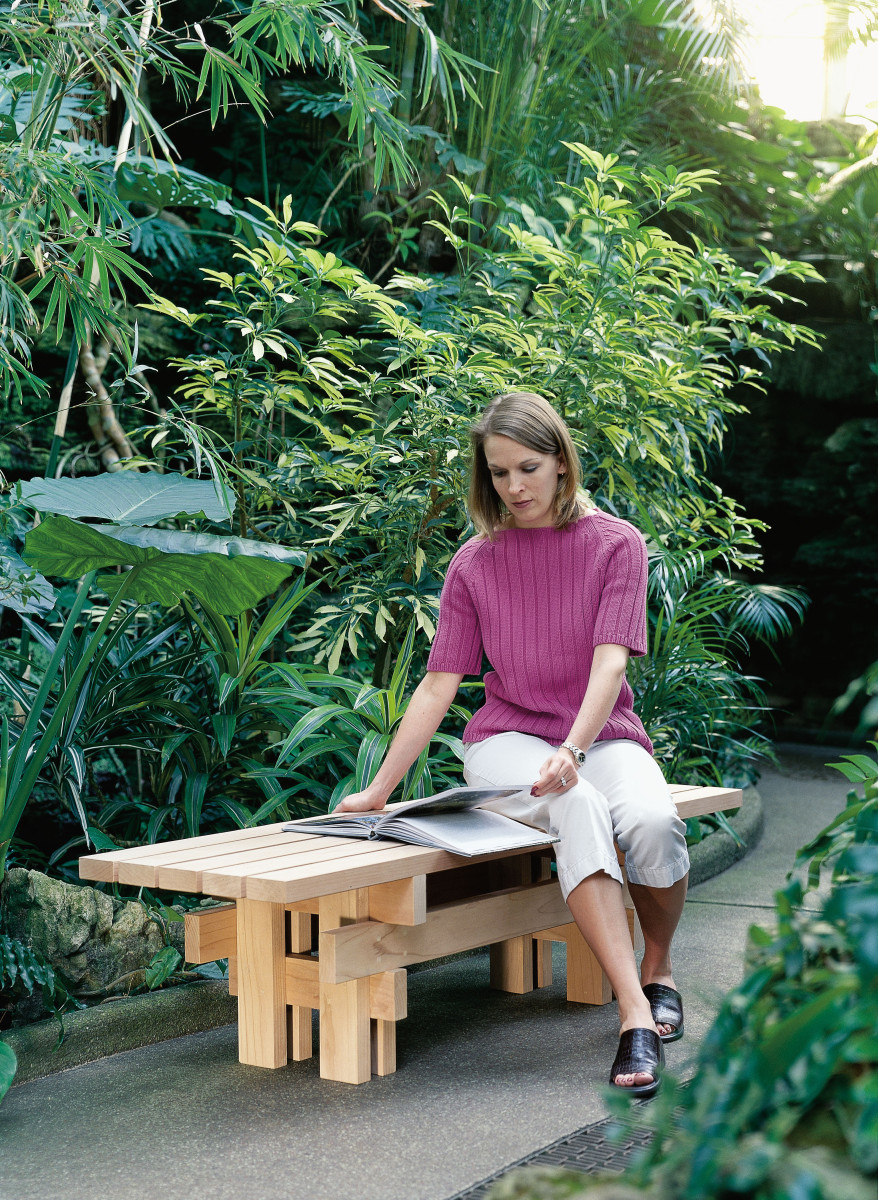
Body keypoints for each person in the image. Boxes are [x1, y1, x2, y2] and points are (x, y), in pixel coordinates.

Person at [337, 391, 689, 1098]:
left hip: (599, 734)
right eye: (498, 473)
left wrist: (577, 747)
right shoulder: (474, 562)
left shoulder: (617, 543)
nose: (514, 487)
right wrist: (378, 790)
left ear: (562, 461)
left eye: (528, 467)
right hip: (507, 739)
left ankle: (659, 967)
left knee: (654, 823)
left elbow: (610, 662)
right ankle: (633, 1015)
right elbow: (439, 686)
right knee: (577, 806)